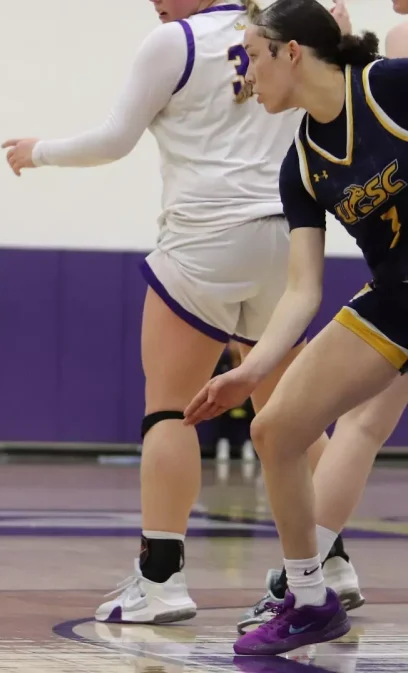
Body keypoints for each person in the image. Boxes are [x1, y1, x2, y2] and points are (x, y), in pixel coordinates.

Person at [1, 0, 342, 625]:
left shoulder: (175, 43)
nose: (153, 2)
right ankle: (331, 563)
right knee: (287, 415)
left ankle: (160, 580)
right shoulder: (280, 33)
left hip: (206, 237)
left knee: (169, 409)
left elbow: (114, 139)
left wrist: (38, 151)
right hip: (287, 235)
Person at [183, 0, 408, 655]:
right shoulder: (303, 163)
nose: (245, 75)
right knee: (275, 427)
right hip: (396, 297)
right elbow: (303, 289)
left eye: (252, 55)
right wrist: (251, 369)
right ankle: (311, 598)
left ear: (291, 52)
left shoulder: (388, 85)